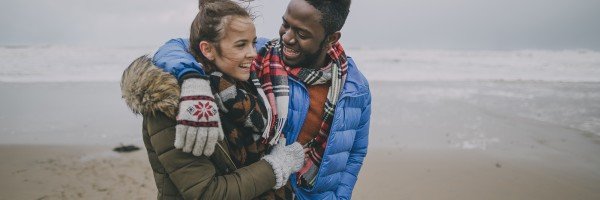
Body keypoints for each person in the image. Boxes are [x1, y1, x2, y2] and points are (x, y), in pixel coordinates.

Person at [154, 0, 371, 199]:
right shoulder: (260, 55)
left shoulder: (355, 88)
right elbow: (177, 47)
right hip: (265, 189)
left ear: (331, 39)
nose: (287, 37)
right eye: (285, 24)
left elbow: (355, 153)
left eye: (302, 34)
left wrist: (340, 197)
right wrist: (193, 81)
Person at [121, 0, 304, 199]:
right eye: (241, 45)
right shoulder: (175, 106)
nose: (253, 53)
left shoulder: (249, 86)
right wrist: (275, 167)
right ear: (207, 50)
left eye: (252, 42)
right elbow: (207, 193)